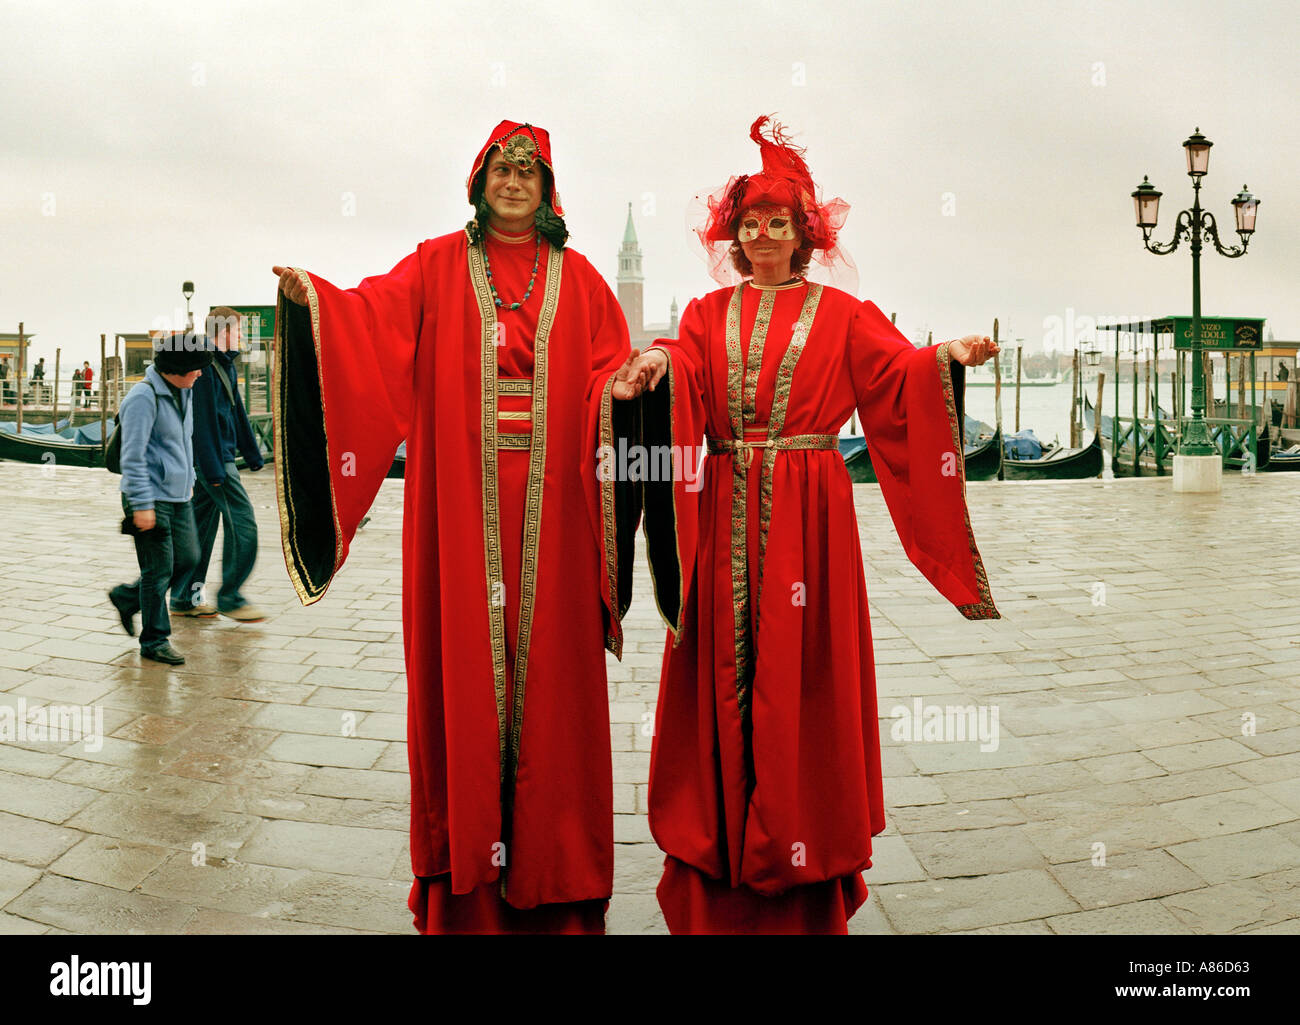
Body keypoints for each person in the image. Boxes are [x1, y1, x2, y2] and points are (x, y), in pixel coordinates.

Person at [270, 120, 650, 934]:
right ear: (478, 183)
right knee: (464, 676)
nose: (513, 183)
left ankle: (557, 871)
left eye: (528, 171)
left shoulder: (581, 278)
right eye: (500, 170)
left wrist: (626, 385)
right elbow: (369, 318)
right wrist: (317, 302)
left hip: (558, 507)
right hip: (458, 507)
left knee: (555, 681)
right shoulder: (437, 265)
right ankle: (466, 878)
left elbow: (607, 370)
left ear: (548, 189)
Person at [628, 116, 1001, 934]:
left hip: (809, 514)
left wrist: (946, 358)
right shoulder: (704, 311)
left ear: (804, 234)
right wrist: (656, 361)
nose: (764, 236)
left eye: (780, 223)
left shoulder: (843, 313)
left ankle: (798, 842)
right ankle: (719, 845)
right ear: (736, 234)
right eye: (752, 224)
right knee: (724, 669)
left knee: (803, 670)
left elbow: (898, 373)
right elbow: (682, 367)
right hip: (722, 499)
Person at [108, 334, 214, 665]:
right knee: (158, 570)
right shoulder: (143, 397)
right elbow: (132, 456)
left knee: (187, 559)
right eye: (195, 368)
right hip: (149, 497)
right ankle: (154, 641)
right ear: (177, 367)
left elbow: (185, 442)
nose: (200, 373)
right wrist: (141, 505)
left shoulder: (185, 391)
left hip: (180, 495)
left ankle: (127, 597)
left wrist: (191, 480)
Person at [172, 307, 267, 621]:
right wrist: (212, 469)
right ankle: (230, 595)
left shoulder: (226, 364)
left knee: (201, 530)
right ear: (223, 331)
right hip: (211, 461)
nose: (242, 336)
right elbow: (201, 422)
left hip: (215, 459)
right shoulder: (204, 365)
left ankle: (184, 596)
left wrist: (252, 454)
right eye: (238, 330)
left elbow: (235, 410)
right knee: (244, 523)